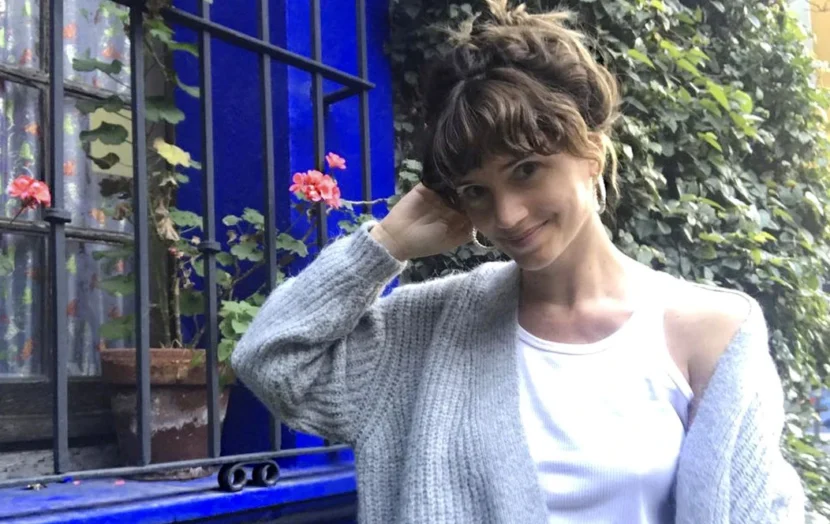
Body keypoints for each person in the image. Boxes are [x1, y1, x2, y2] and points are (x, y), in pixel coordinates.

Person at [231, 1, 806, 522]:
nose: (506, 215)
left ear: (591, 152)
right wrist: (384, 244)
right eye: (476, 191)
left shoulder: (710, 333)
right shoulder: (427, 331)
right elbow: (272, 360)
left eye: (526, 170)